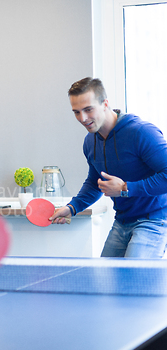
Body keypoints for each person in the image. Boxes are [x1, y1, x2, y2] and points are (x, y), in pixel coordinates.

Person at [50, 77, 167, 258]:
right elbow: (95, 183)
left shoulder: (141, 132)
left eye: (88, 109)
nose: (83, 118)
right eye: (76, 112)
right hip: (122, 221)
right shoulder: (90, 141)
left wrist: (125, 188)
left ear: (105, 103)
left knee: (135, 281)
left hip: (154, 220)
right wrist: (72, 207)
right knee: (108, 282)